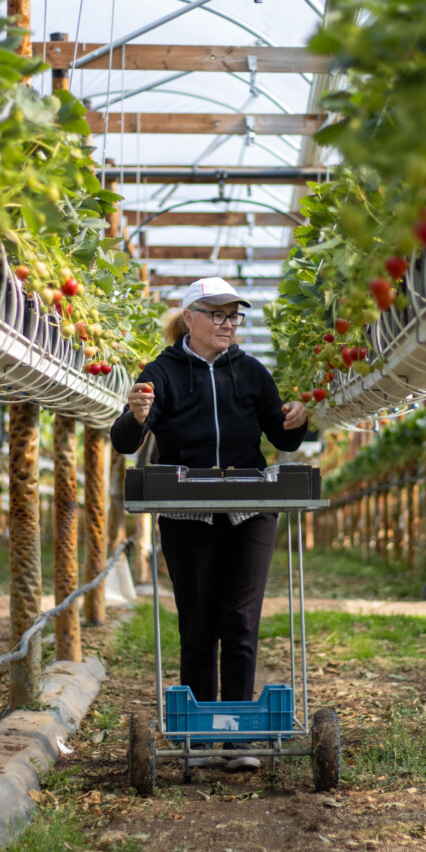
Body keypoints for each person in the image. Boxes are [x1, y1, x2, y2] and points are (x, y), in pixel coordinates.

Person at [110, 276, 308, 769]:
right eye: (217, 315)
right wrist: (135, 415)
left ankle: (238, 740)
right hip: (188, 509)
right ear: (190, 318)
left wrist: (296, 420)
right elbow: (125, 441)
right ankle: (199, 736)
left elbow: (282, 440)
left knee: (240, 621)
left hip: (248, 508)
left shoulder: (252, 371)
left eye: (234, 316)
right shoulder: (162, 371)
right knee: (198, 621)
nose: (227, 324)